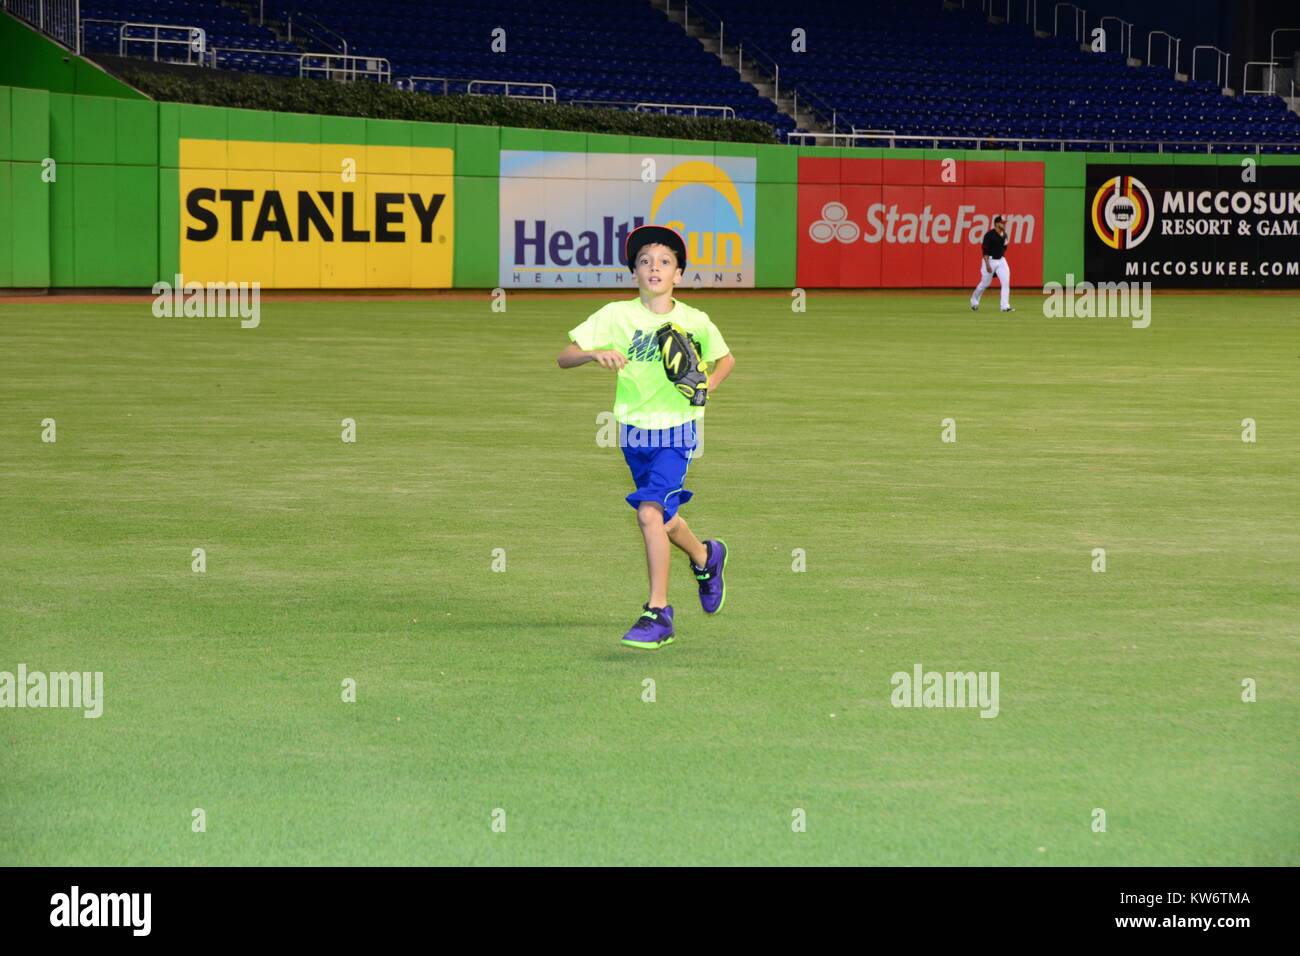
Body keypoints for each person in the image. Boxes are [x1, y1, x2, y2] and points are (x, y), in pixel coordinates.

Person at [557, 225, 736, 649]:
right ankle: (706, 557)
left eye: (664, 261)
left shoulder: (695, 320)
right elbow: (563, 357)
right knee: (665, 517)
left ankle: (658, 613)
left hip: (677, 431)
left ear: (679, 273)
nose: (654, 267)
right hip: (634, 434)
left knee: (649, 515)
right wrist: (590, 353)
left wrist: (705, 387)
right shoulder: (616, 315)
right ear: (634, 272)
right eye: (644, 261)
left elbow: (725, 360)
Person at [970, 215, 1014, 312]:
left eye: (1004, 223)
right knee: (985, 283)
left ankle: (1004, 306)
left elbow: (1004, 248)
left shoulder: (1005, 235)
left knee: (1005, 282)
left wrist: (1000, 260)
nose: (1004, 224)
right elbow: (985, 251)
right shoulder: (989, 235)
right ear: (996, 223)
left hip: (1001, 261)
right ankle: (974, 300)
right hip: (990, 260)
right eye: (1002, 223)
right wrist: (987, 265)